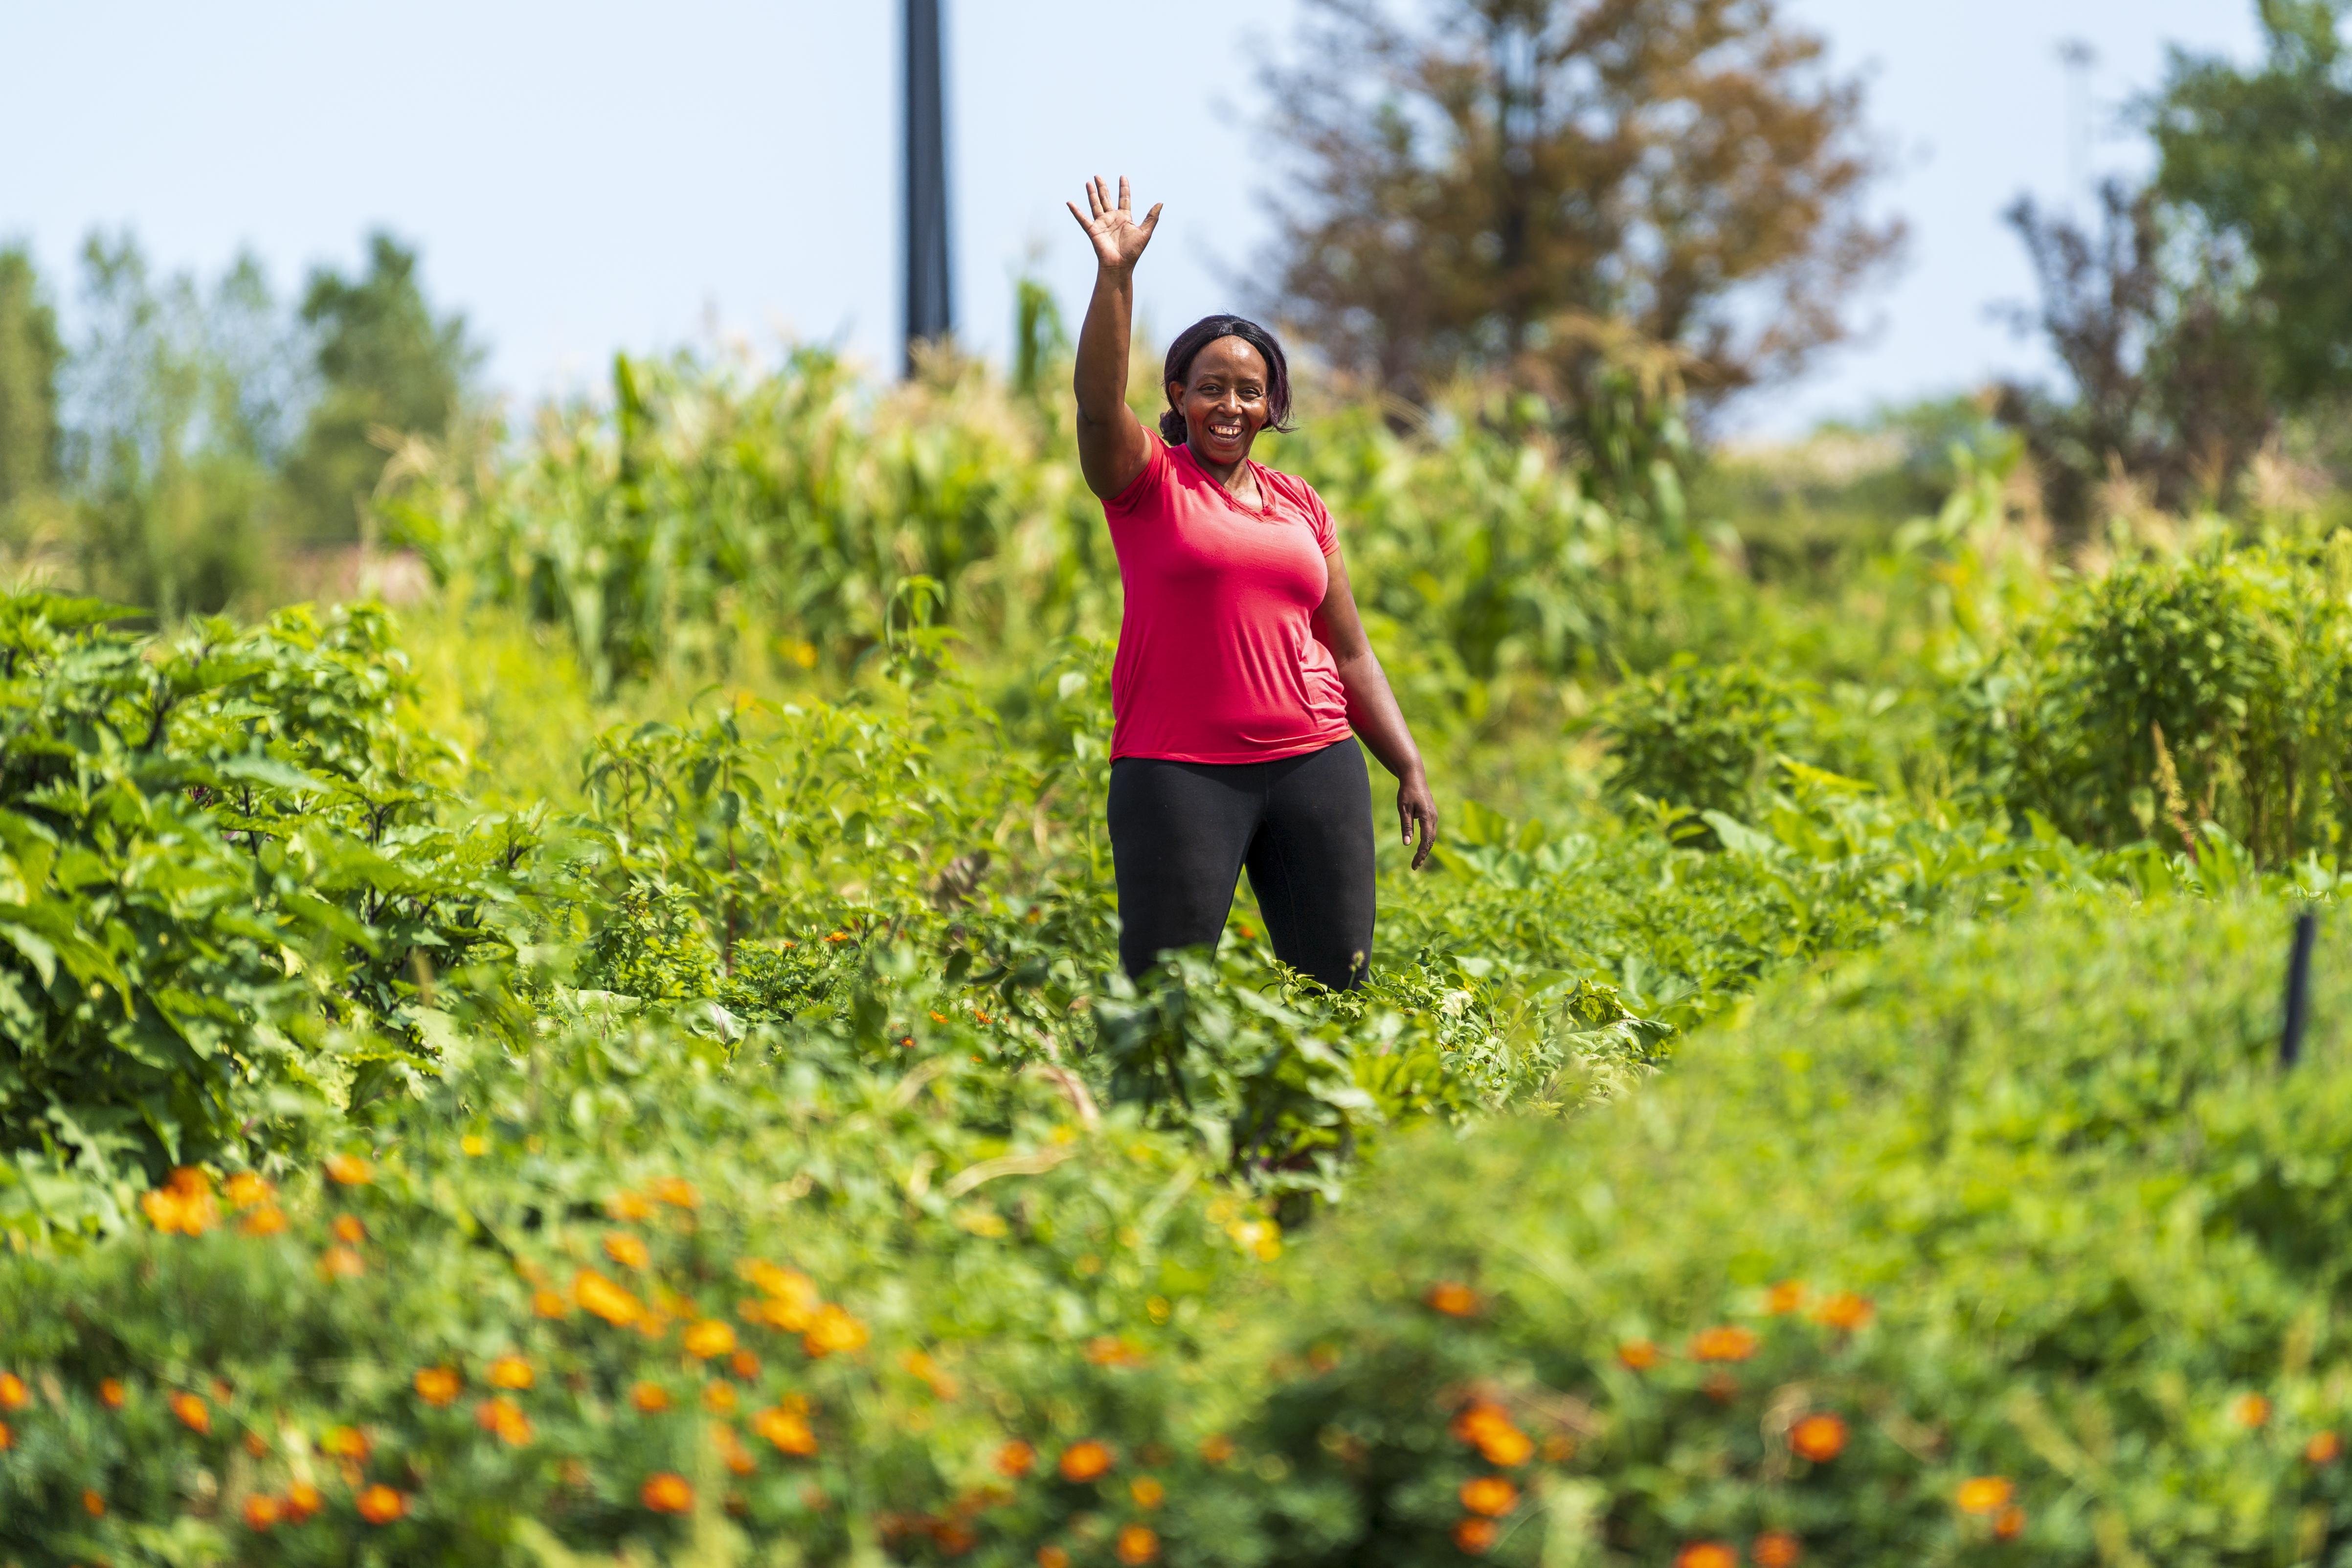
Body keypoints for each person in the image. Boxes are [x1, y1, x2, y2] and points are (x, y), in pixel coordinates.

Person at [1066, 175, 1438, 991]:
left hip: (1316, 764)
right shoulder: (1145, 481)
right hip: (1177, 772)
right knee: (1166, 1000)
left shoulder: (1299, 502)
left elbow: (1350, 652)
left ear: (1271, 404)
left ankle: (1303, 1125)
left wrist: (1405, 763)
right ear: (1178, 397)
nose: (1229, 405)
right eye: (1211, 387)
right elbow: (1096, 406)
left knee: (1335, 988)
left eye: (1249, 390)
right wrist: (1116, 277)